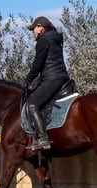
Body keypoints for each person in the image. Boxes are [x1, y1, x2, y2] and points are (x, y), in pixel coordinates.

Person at [25, 16, 70, 150]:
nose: (33, 31)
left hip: (52, 78)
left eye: (34, 28)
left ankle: (43, 139)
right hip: (62, 77)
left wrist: (28, 79)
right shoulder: (55, 39)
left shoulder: (43, 40)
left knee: (32, 104)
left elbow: (38, 63)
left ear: (41, 27)